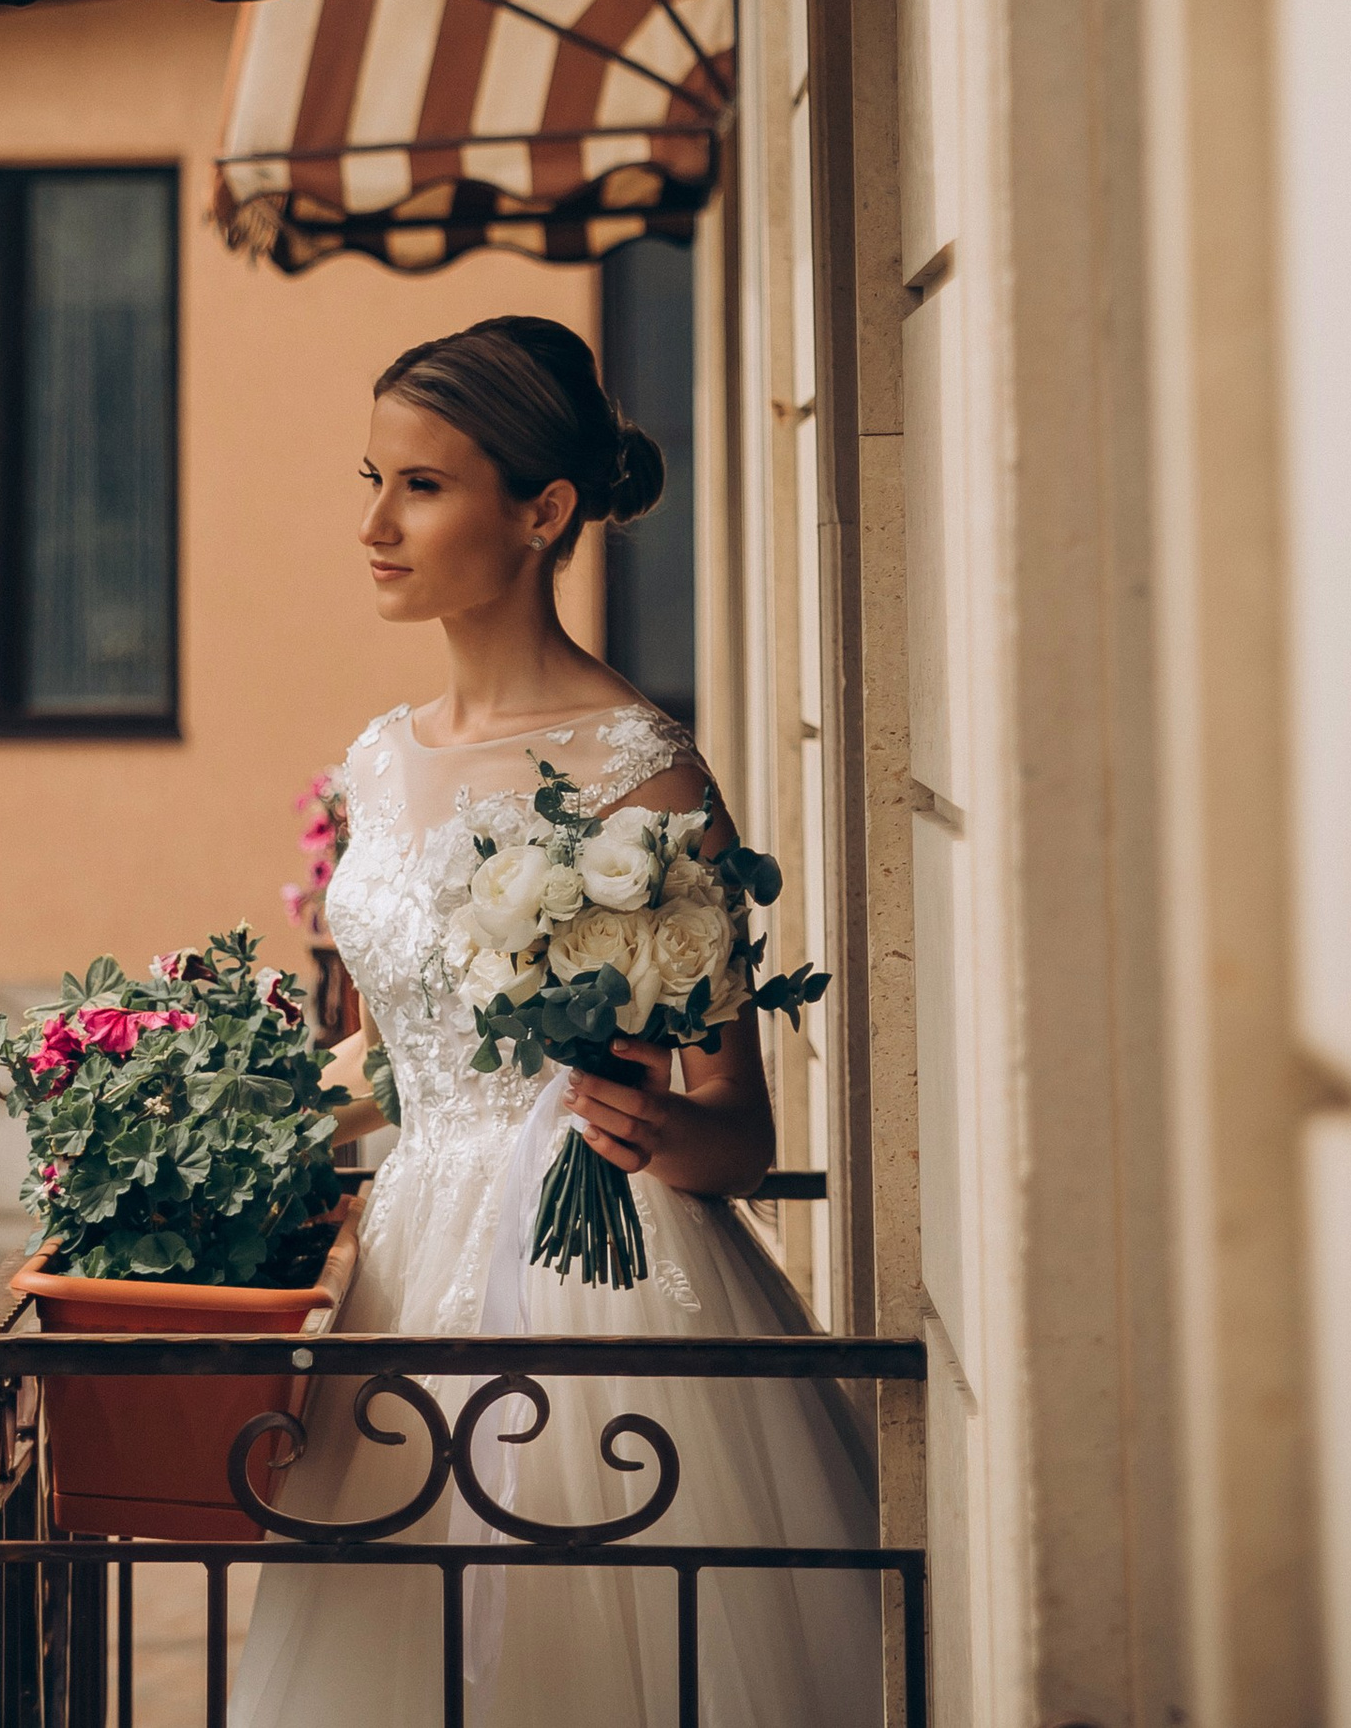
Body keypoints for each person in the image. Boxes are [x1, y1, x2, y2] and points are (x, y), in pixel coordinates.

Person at [228, 316, 876, 1728]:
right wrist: (260, 1126)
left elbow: (740, 1135)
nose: (373, 525)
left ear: (544, 511)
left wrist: (654, 1130)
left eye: (420, 487)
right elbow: (385, 1063)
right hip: (396, 1287)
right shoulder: (380, 761)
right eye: (372, 479)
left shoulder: (644, 772)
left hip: (602, 1284)